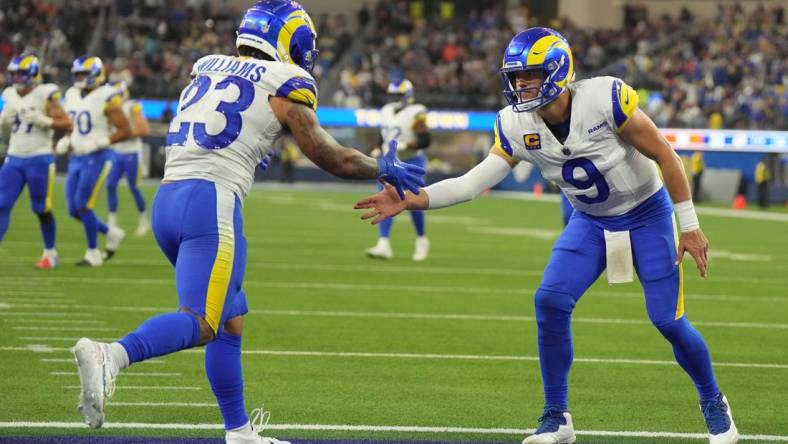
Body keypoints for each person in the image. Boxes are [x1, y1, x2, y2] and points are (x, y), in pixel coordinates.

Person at [355, 27, 738, 444]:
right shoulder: (514, 123)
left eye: (529, 75)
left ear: (557, 70)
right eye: (515, 77)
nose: (520, 84)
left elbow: (665, 154)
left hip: (647, 213)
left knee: (668, 320)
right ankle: (557, 416)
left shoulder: (605, 98)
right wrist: (415, 198)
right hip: (591, 220)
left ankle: (714, 403)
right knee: (550, 301)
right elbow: (473, 181)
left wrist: (690, 225)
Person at [69, 2, 423, 444]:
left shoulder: (207, 67)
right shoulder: (284, 81)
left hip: (171, 198)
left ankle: (239, 432)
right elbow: (332, 156)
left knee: (231, 318)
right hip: (211, 203)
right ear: (288, 40)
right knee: (203, 321)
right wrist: (384, 167)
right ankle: (112, 355)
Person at [57, 56, 131, 266]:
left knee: (83, 205)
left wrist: (102, 141)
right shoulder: (71, 94)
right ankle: (110, 233)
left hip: (98, 157)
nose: (80, 78)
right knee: (73, 209)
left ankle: (93, 253)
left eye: (83, 74)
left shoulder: (107, 95)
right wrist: (66, 139)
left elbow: (126, 129)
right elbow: (72, 125)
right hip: (76, 157)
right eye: (77, 74)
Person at [0, 54, 72, 269]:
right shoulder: (9, 94)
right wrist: (3, 123)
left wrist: (44, 120)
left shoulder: (46, 93)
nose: (16, 77)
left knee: (41, 208)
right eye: (14, 73)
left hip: (39, 158)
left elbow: (67, 124)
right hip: (14, 157)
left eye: (21, 73)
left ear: (32, 74)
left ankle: (50, 254)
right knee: (1, 203)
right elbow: (6, 130)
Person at [366, 78, 431, 261]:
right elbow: (383, 134)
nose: (394, 98)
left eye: (398, 95)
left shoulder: (417, 111)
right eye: (392, 95)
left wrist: (407, 145)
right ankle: (383, 243)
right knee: (384, 200)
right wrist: (379, 147)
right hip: (389, 163)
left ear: (407, 96)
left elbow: (425, 140)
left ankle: (421, 239)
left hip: (411, 161)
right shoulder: (386, 111)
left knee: (414, 202)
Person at [106, 80, 151, 236]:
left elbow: (144, 129)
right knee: (110, 185)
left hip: (132, 152)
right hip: (116, 152)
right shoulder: (109, 107)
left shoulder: (132, 106)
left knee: (134, 187)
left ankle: (144, 221)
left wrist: (123, 135)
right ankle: (112, 222)